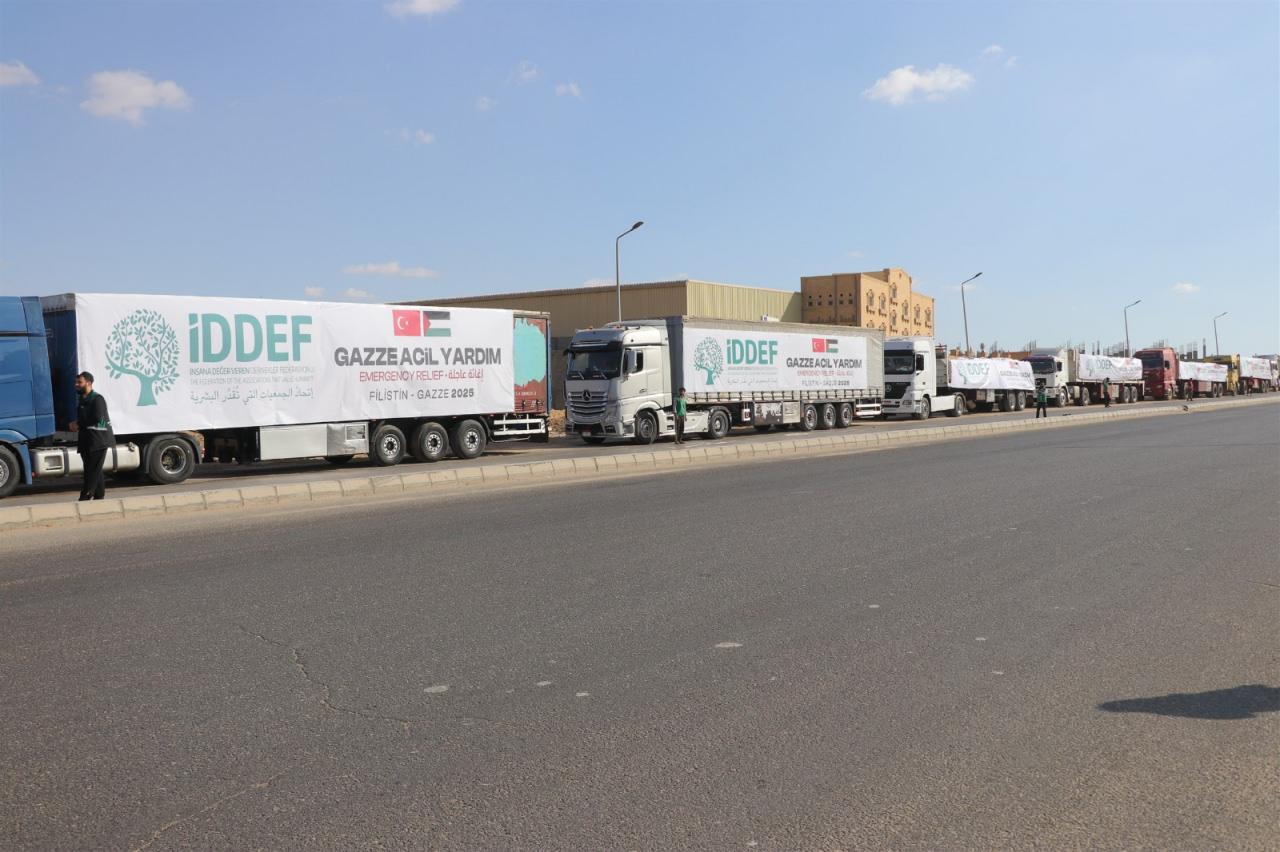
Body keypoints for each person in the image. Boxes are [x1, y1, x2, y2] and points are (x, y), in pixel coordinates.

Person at [70, 371, 114, 501]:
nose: (76, 384)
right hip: (86, 440)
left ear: (88, 383)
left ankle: (85, 496)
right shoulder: (82, 400)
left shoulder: (97, 399)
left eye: (80, 382)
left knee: (91, 471)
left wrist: (78, 424)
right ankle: (99, 495)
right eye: (76, 382)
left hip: (98, 440)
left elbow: (98, 419)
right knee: (94, 470)